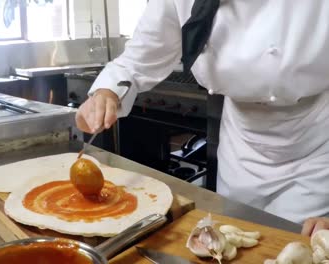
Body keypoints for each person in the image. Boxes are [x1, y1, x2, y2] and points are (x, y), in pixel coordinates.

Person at [75, 0, 329, 236]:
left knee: (300, 247)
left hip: (314, 147)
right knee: (235, 237)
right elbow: (139, 59)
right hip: (241, 148)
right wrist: (107, 91)